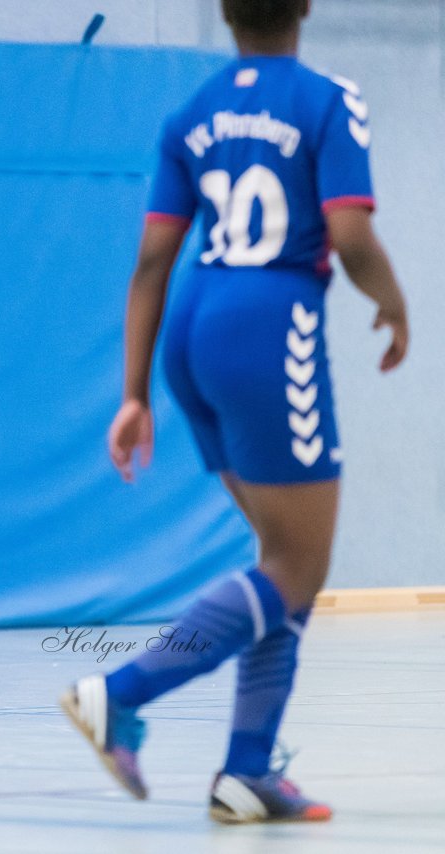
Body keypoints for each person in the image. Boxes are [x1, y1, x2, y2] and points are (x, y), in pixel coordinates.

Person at [59, 0, 409, 824]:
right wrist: (394, 303)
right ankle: (120, 691)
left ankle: (247, 770)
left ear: (223, 13)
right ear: (307, 8)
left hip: (191, 324)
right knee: (297, 567)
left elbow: (152, 259)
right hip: (269, 326)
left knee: (282, 555)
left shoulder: (192, 111)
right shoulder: (328, 99)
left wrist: (136, 392)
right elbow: (350, 234)